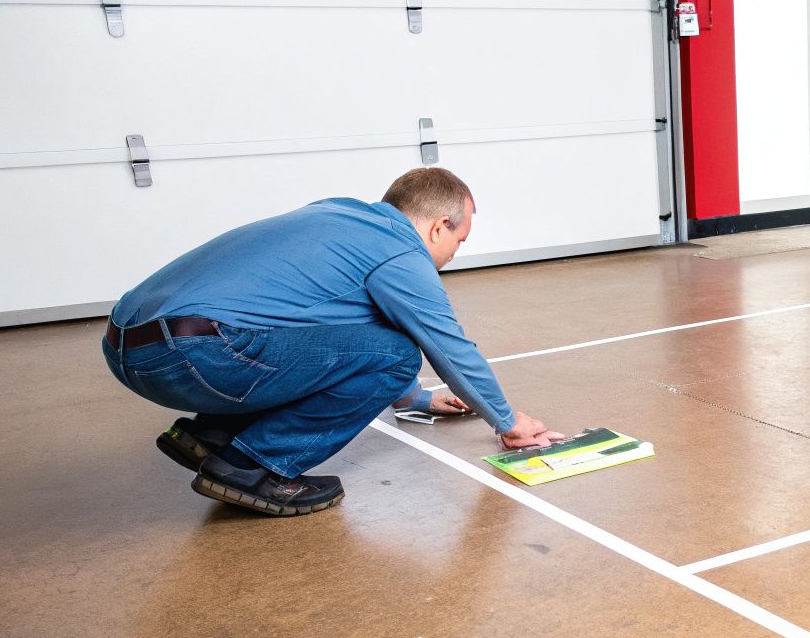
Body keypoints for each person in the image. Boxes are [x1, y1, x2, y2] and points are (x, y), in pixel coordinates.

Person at [103, 167, 567, 516]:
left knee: (348, 345)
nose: (454, 253)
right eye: (459, 240)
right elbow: (448, 347)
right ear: (438, 225)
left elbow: (339, 334)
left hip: (129, 346)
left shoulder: (338, 213)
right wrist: (508, 422)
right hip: (195, 356)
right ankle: (252, 466)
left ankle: (211, 434)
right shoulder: (401, 252)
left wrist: (416, 399)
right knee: (400, 356)